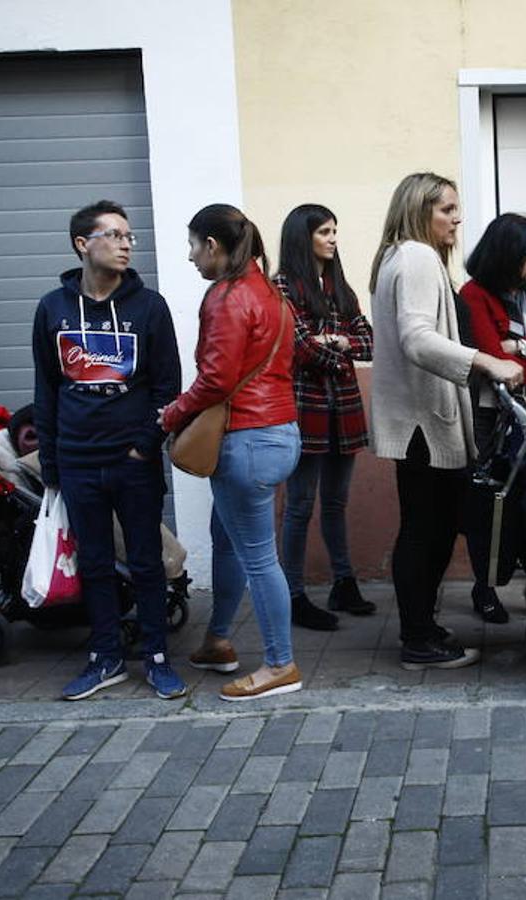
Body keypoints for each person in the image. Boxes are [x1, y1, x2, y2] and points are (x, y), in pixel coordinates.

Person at [368, 173, 524, 670]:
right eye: (447, 209)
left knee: (430, 527)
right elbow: (417, 339)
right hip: (423, 425)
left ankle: (423, 630)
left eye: (457, 209)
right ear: (419, 210)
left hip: (420, 421)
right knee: (425, 531)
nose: (457, 218)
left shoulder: (402, 256)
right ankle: (418, 638)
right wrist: (486, 361)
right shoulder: (414, 257)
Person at [32, 200, 184, 701]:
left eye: (128, 237)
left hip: (132, 461)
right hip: (77, 460)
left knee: (145, 562)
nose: (125, 244)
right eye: (114, 235)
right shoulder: (53, 308)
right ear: (83, 244)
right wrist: (52, 460)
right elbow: (47, 387)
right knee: (94, 564)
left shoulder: (149, 307)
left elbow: (168, 386)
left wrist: (145, 447)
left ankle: (158, 657)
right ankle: (105, 658)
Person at [162, 203, 302, 701]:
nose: (191, 257)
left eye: (194, 245)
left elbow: (218, 378)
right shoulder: (273, 295)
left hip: (245, 439)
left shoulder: (225, 297)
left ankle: (280, 664)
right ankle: (219, 640)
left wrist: (172, 414)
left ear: (214, 246)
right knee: (228, 537)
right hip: (280, 432)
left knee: (260, 558)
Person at [459, 213, 526, 623]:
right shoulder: (474, 295)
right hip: (493, 415)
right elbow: (492, 357)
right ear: (506, 254)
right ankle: (484, 587)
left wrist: (522, 346)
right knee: (492, 502)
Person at [274, 204, 375, 630]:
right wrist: (339, 349)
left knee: (336, 502)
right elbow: (298, 348)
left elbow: (369, 343)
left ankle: (343, 582)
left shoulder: (338, 285)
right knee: (299, 504)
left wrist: (332, 340)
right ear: (304, 237)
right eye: (325, 232)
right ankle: (293, 593)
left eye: (335, 231)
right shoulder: (281, 286)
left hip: (344, 408)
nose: (334, 239)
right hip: (306, 408)